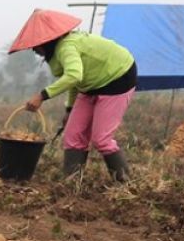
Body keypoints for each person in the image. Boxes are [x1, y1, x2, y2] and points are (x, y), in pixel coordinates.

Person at [13, 9, 137, 181]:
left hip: (117, 77)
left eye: (36, 45)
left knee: (101, 139)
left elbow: (73, 76)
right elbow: (74, 80)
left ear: (47, 40)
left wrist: (42, 96)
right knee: (73, 135)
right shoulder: (59, 52)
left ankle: (127, 184)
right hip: (89, 85)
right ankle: (72, 184)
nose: (34, 50)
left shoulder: (67, 47)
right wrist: (69, 109)